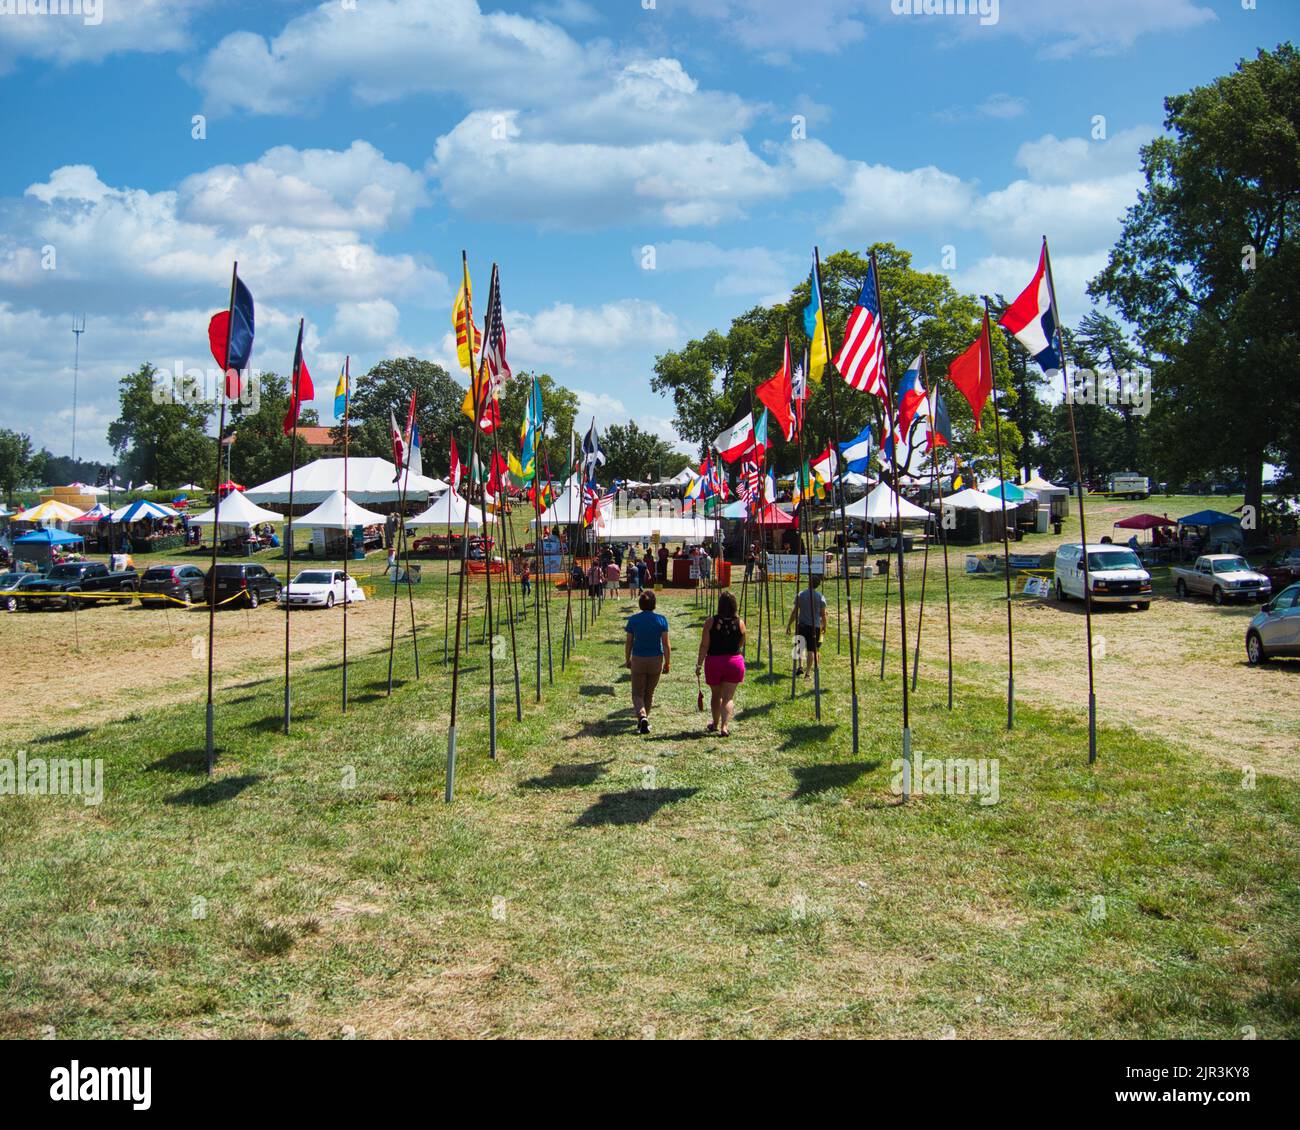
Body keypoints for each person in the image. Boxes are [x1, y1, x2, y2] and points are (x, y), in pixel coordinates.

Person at [696, 589, 746, 736]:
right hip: (734, 662)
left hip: (714, 662)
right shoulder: (740, 623)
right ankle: (725, 726)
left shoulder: (710, 622)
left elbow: (704, 645)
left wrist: (699, 664)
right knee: (728, 697)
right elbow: (742, 643)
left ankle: (715, 723)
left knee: (716, 695)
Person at [624, 590, 670, 733]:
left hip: (638, 658)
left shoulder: (633, 620)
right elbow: (666, 644)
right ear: (654, 604)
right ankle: (644, 720)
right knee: (649, 692)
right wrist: (667, 662)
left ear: (640, 604)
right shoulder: (661, 620)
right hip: (656, 659)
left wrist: (627, 658)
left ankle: (642, 717)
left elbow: (629, 642)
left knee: (637, 693)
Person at [786, 575, 827, 678]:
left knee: (800, 646)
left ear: (809, 582)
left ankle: (800, 666)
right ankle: (808, 673)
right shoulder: (820, 597)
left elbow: (795, 612)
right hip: (815, 627)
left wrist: (789, 624)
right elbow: (823, 614)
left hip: (802, 625)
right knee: (811, 650)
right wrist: (824, 626)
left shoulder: (801, 595)